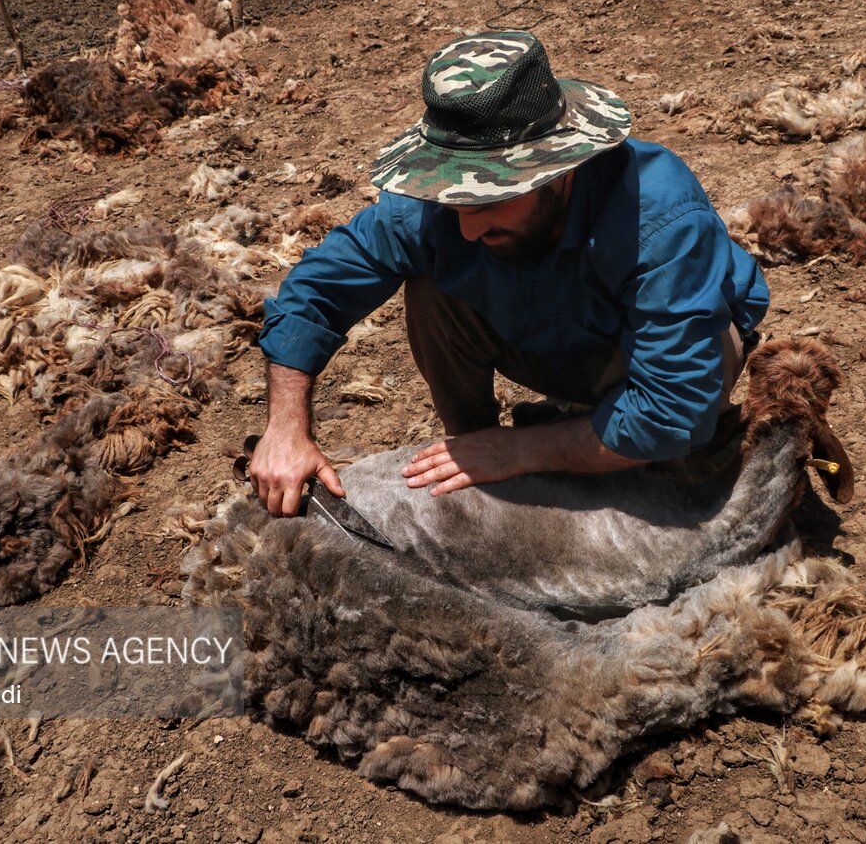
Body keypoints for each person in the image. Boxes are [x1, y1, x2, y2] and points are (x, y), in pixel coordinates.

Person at [250, 30, 769, 517]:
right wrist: (285, 428)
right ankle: (474, 453)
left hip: (645, 363)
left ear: (559, 171)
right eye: (458, 201)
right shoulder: (434, 209)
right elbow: (316, 291)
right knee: (429, 287)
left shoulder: (656, 219)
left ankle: (533, 451)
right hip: (543, 341)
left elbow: (672, 409)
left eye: (491, 199)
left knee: (675, 438)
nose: (469, 228)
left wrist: (520, 449)